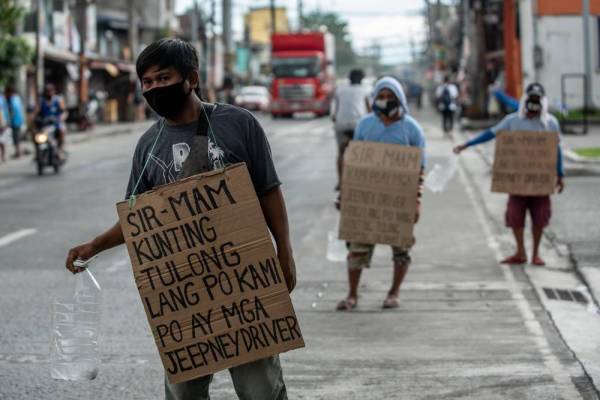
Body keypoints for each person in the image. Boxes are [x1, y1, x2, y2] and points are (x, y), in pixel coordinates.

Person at [64, 38, 296, 400]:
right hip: (184, 293)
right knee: (183, 393)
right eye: (147, 81)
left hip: (244, 285)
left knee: (260, 390)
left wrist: (284, 253)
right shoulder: (147, 145)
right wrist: (95, 245)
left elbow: (269, 190)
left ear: (191, 78)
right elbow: (138, 218)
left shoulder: (239, 123)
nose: (154, 88)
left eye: (163, 77)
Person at [336, 76, 426, 311]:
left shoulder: (412, 129)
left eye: (390, 97)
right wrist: (345, 195)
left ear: (400, 100)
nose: (385, 101)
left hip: (399, 200)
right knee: (356, 249)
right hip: (366, 201)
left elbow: (420, 168)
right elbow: (354, 162)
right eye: (381, 97)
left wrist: (416, 200)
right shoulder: (365, 125)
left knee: (401, 250)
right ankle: (352, 295)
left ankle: (393, 293)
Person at [454, 82, 564, 266]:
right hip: (517, 182)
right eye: (531, 100)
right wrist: (467, 145)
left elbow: (556, 148)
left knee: (540, 217)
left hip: (540, 181)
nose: (533, 106)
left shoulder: (550, 123)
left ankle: (536, 253)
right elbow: (491, 133)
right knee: (515, 216)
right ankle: (520, 252)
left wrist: (560, 174)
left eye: (537, 101)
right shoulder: (513, 120)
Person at [331, 69, 371, 190]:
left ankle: (340, 182)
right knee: (362, 154)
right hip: (358, 125)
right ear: (362, 80)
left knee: (341, 153)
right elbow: (369, 112)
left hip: (341, 125)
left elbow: (335, 112)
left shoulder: (340, 89)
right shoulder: (365, 90)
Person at [36, 83, 67, 154]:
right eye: (47, 91)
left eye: (50, 91)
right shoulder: (41, 101)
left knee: (61, 131)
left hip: (56, 123)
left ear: (53, 91)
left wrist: (62, 117)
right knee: (36, 135)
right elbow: (36, 112)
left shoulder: (57, 100)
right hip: (45, 124)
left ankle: (60, 149)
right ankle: (38, 152)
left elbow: (64, 111)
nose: (49, 92)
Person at [5, 84, 25, 158]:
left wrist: (8, 121)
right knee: (16, 137)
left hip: (15, 121)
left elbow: (13, 111)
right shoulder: (17, 98)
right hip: (18, 121)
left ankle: (18, 152)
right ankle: (18, 152)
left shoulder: (12, 100)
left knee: (15, 137)